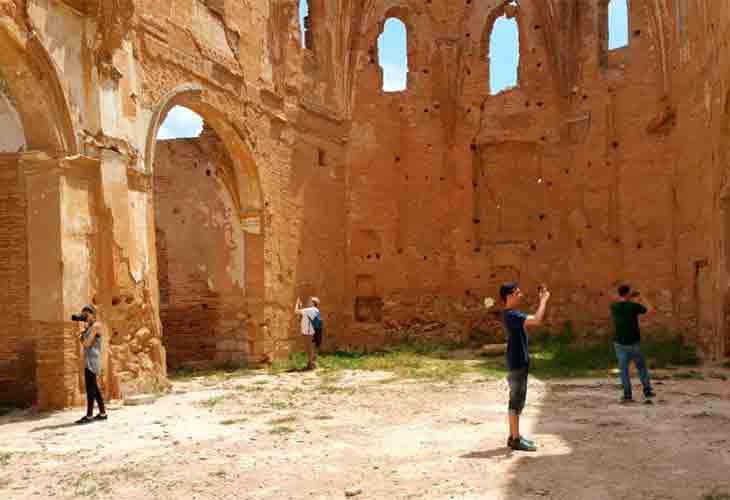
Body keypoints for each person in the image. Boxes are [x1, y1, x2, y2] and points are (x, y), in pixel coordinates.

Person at [499, 282, 550, 452]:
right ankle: (515, 438)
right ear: (509, 295)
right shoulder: (511, 315)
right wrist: (543, 301)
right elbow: (536, 320)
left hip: (518, 361)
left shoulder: (511, 314)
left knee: (517, 401)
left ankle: (515, 436)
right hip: (517, 363)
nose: (521, 295)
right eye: (518, 292)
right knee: (516, 401)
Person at [610, 285, 656, 404]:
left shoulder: (614, 307)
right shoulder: (634, 306)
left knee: (624, 370)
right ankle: (647, 390)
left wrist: (628, 298)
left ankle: (627, 395)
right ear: (628, 294)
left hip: (619, 343)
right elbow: (650, 309)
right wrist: (641, 297)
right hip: (634, 342)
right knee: (641, 368)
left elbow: (619, 303)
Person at [74, 305, 107, 424]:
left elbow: (87, 344)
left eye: (86, 315)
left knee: (90, 388)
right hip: (89, 359)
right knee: (94, 387)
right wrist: (84, 331)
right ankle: (102, 413)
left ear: (92, 314)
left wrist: (81, 336)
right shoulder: (89, 327)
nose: (85, 317)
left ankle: (89, 416)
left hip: (92, 360)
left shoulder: (96, 326)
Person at [295, 297, 322, 370]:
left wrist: (297, 304)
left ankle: (311, 365)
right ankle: (312, 363)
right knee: (311, 347)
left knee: (309, 348)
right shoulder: (315, 310)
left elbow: (296, 311)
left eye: (309, 301)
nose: (308, 302)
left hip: (308, 332)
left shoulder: (310, 310)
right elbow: (302, 316)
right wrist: (301, 307)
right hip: (311, 331)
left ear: (313, 303)